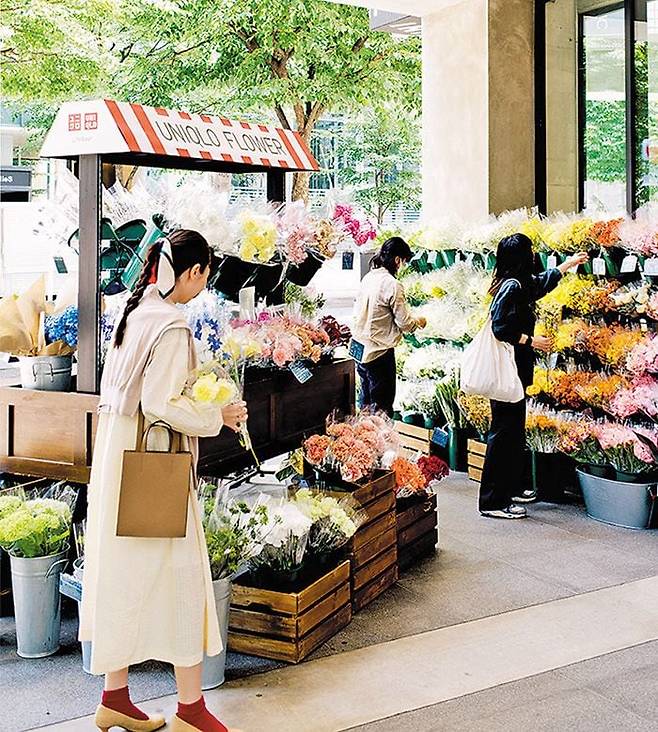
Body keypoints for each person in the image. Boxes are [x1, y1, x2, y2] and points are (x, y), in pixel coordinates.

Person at [80, 230, 246, 732]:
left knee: (121, 576)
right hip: (157, 467)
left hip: (119, 468)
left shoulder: (135, 313)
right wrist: (219, 413)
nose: (203, 287)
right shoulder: (172, 327)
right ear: (193, 272)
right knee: (183, 577)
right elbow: (161, 404)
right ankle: (191, 710)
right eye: (205, 277)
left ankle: (114, 697)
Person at [478, 233, 587, 519]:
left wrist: (568, 264)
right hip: (508, 371)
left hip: (515, 371)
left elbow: (539, 284)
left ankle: (510, 488)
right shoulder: (511, 288)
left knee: (512, 432)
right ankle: (492, 502)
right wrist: (531, 340)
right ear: (522, 257)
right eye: (530, 250)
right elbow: (500, 328)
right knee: (503, 433)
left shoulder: (517, 283)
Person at [352, 236, 426, 416]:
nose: (403, 266)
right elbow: (405, 323)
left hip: (359, 349)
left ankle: (364, 442)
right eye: (404, 261)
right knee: (381, 409)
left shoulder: (369, 277)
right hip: (379, 352)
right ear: (397, 260)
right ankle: (380, 443)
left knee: (366, 405)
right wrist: (419, 322)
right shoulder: (393, 284)